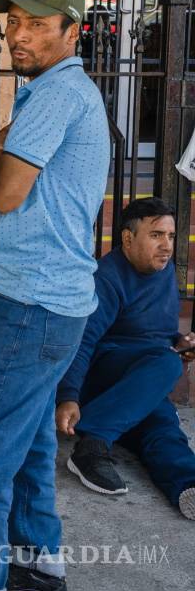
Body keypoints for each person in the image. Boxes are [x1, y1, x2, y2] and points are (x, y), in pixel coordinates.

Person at [0, 0, 111, 591]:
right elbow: (6, 156)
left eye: (36, 24)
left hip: (28, 300)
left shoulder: (55, 95)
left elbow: (4, 193)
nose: (17, 35)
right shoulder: (61, 92)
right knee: (25, 440)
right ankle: (39, 561)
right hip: (55, 301)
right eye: (14, 21)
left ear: (71, 32)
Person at [55, 197, 195, 520]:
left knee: (161, 424)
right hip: (105, 376)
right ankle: (95, 438)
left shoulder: (165, 271)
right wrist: (68, 397)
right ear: (128, 239)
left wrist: (180, 342)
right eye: (157, 235)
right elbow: (84, 339)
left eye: (171, 236)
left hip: (141, 377)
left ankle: (187, 484)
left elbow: (154, 333)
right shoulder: (107, 277)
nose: (167, 245)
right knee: (167, 365)